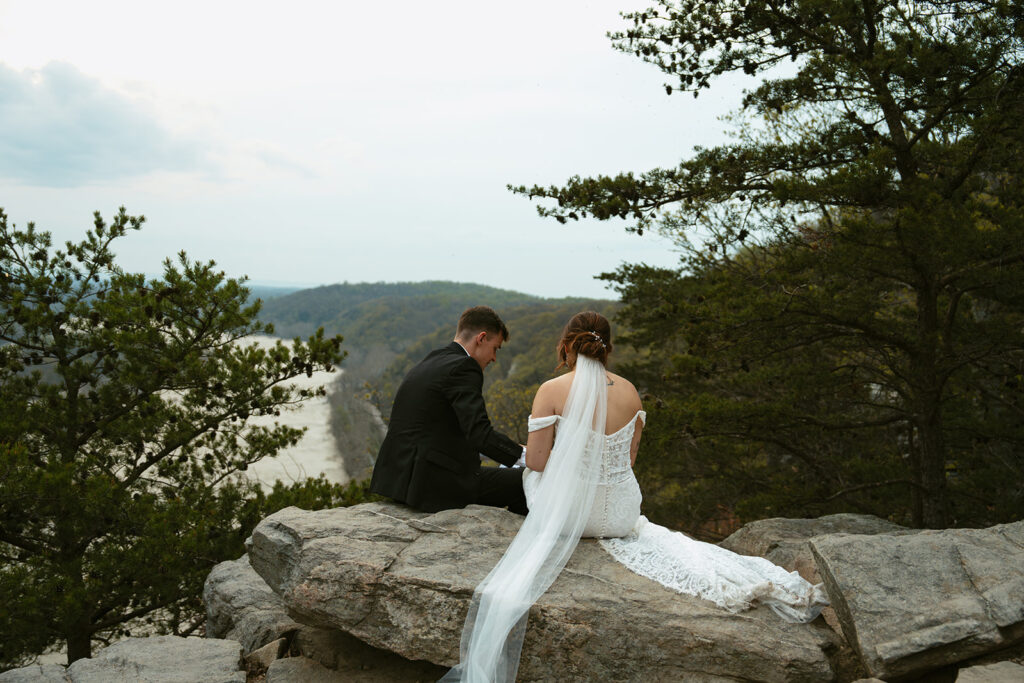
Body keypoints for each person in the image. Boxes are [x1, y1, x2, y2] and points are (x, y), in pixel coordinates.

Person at [441, 311, 828, 683]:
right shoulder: (630, 393)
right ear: (606, 348)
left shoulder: (551, 390)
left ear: (567, 347)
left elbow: (538, 463)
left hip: (567, 513)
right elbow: (626, 461)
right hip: (622, 515)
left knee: (522, 473)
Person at [370, 305, 527, 514]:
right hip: (435, 485)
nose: (494, 358)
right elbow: (479, 434)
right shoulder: (464, 367)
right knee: (527, 481)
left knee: (505, 475)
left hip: (398, 480)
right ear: (481, 338)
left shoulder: (431, 360)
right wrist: (527, 456)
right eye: (495, 348)